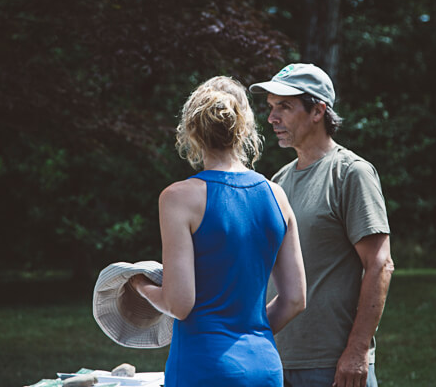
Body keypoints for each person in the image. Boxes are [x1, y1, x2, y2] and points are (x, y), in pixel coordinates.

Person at [129, 76, 307, 387]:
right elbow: (294, 300)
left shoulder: (178, 198)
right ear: (245, 129)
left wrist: (137, 284)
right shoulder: (276, 195)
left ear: (191, 132)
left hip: (204, 366)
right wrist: (252, 333)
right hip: (265, 366)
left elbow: (179, 304)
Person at [249, 63, 394, 387]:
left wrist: (357, 351)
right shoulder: (278, 181)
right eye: (271, 108)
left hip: (333, 366)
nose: (272, 118)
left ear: (318, 111)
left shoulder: (351, 173)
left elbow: (380, 265)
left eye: (284, 107)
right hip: (276, 359)